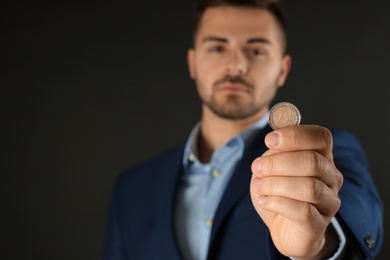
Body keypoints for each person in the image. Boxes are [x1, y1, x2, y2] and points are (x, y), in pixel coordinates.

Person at [104, 0, 383, 259]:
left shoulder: (325, 152)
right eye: (217, 47)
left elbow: (359, 217)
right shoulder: (131, 188)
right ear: (193, 63)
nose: (236, 65)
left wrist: (316, 243)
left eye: (256, 50)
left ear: (282, 70)